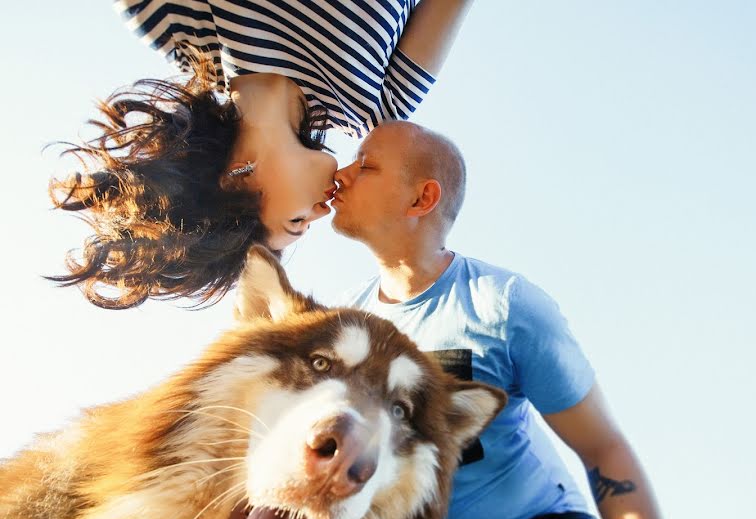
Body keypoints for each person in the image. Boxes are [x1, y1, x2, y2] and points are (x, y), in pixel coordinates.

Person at [330, 121, 683, 519]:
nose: (341, 173)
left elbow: (605, 450)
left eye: (365, 165)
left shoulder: (504, 306)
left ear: (422, 199)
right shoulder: (338, 330)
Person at [49, 0, 471, 309]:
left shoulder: (174, 23)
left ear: (236, 178)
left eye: (296, 221)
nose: (322, 212)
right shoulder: (382, 108)